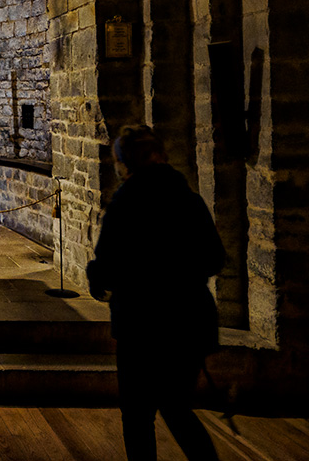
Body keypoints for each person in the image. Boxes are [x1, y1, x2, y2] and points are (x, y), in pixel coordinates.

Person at [87, 125, 225, 461]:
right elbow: (214, 258)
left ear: (125, 164)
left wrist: (99, 277)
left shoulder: (125, 205)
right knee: (176, 408)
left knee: (137, 415)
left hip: (141, 324)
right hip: (189, 320)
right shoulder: (188, 199)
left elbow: (106, 267)